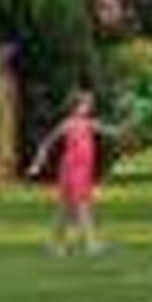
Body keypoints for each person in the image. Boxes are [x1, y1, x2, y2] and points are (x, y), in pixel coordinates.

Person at [28, 91, 119, 255]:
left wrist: (120, 131)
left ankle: (57, 243)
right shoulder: (68, 124)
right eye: (85, 104)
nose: (88, 108)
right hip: (72, 170)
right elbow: (47, 143)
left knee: (68, 209)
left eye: (89, 105)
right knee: (80, 207)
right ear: (75, 106)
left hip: (84, 170)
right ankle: (89, 244)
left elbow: (107, 130)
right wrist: (37, 164)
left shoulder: (89, 124)